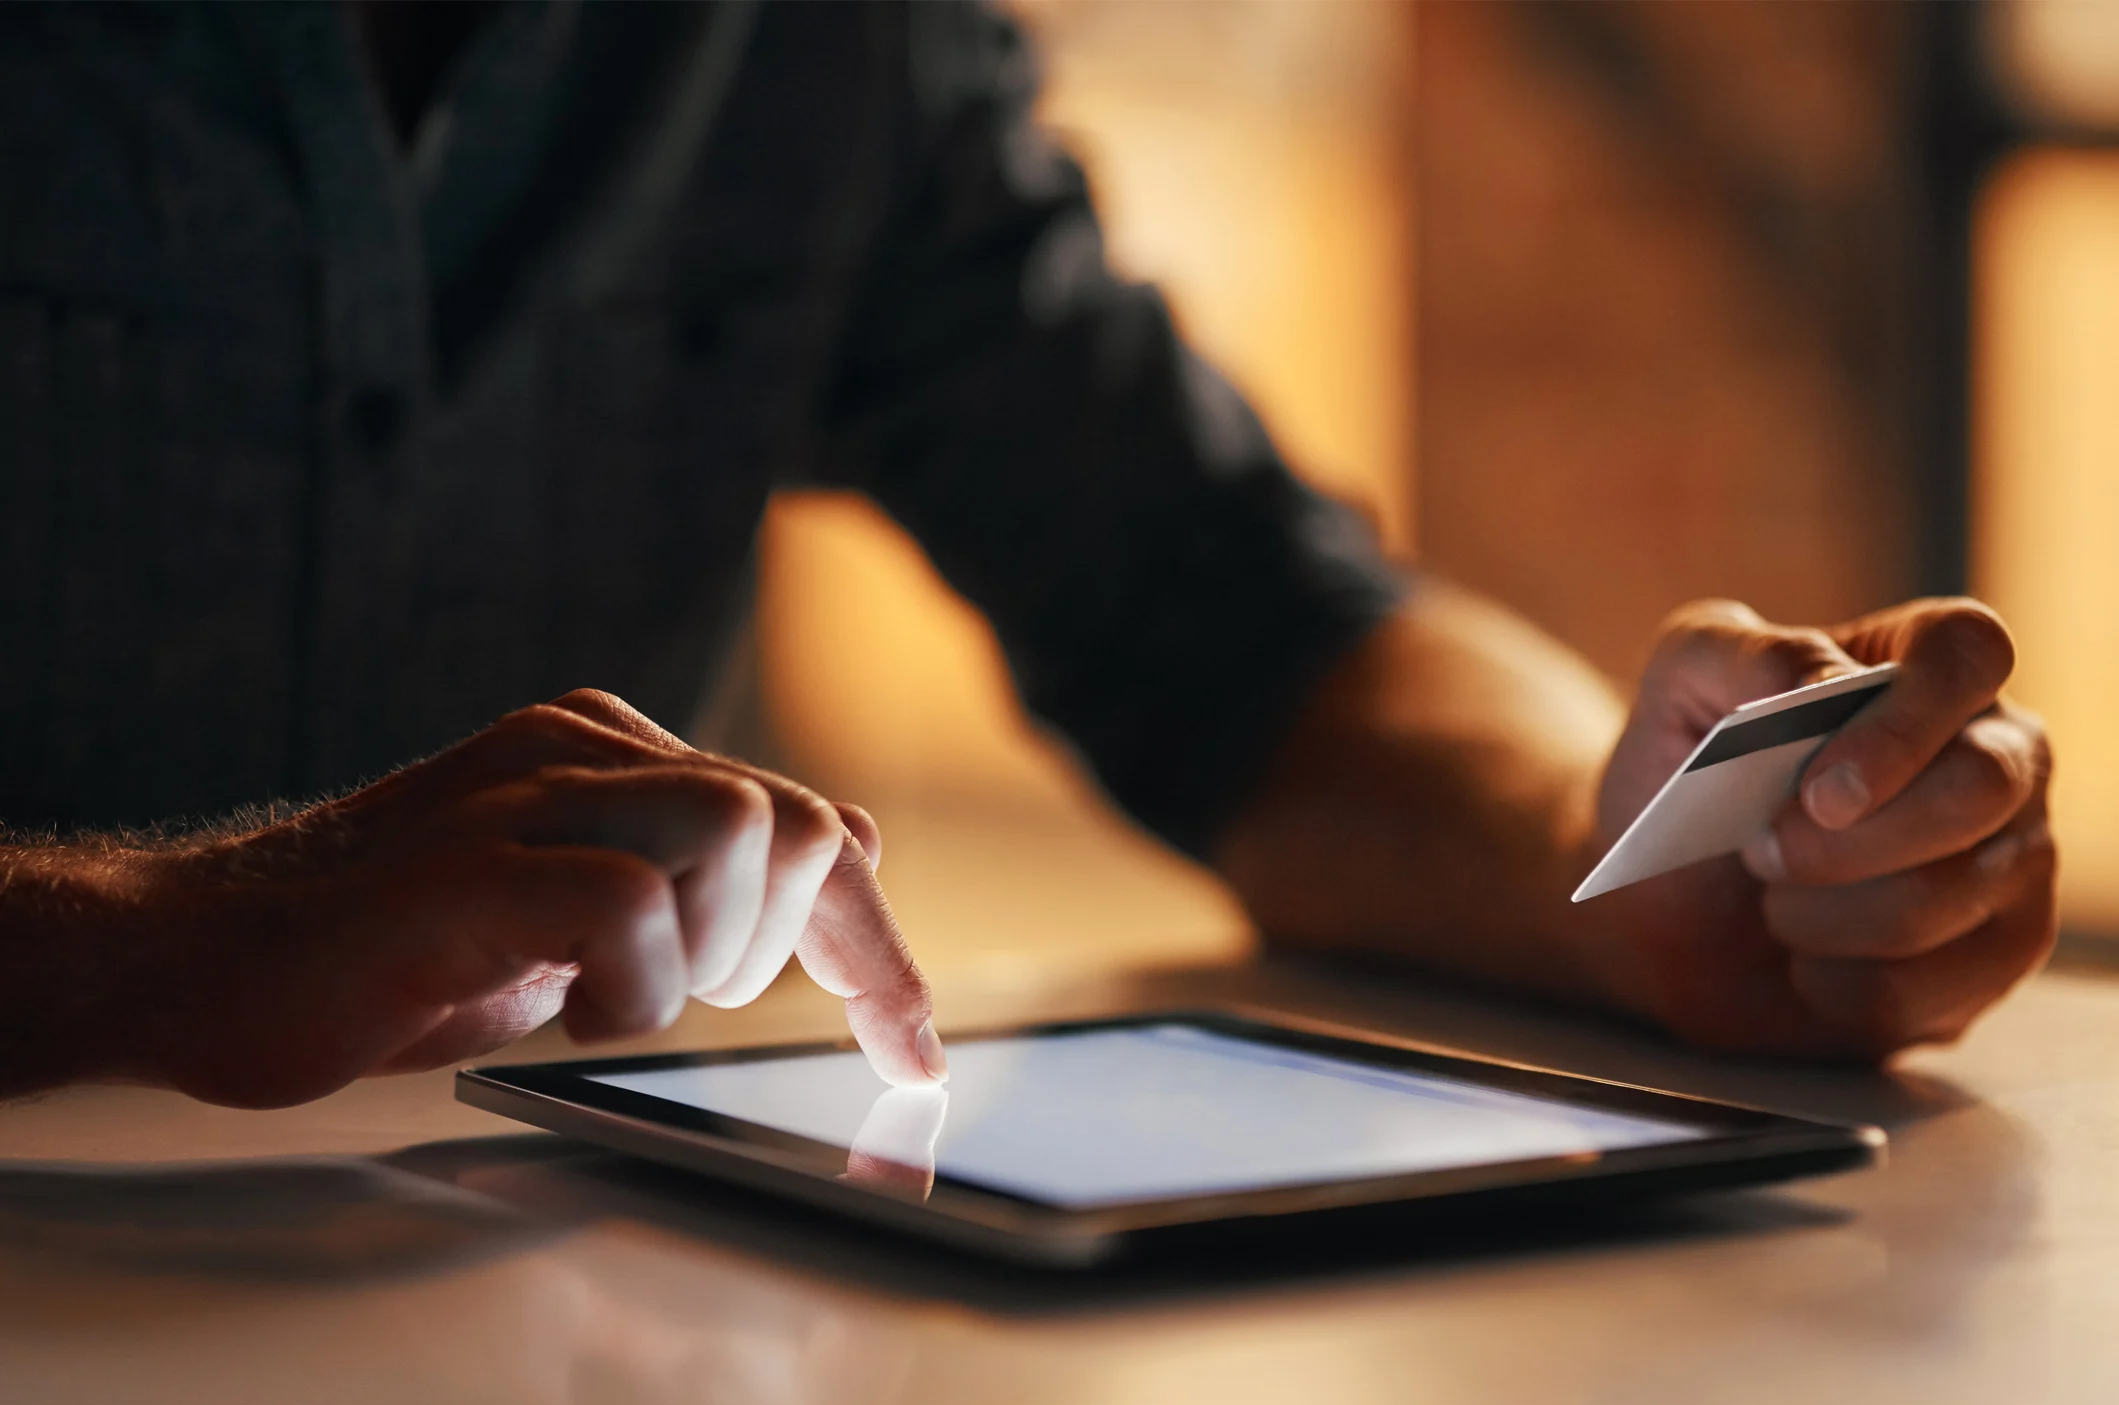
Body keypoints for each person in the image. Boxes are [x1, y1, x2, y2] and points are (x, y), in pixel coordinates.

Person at [0, 1, 2054, 1108]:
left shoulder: (815, 46)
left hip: (524, 1310)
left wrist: (1618, 862)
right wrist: (163, 937)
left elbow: (1233, 608)